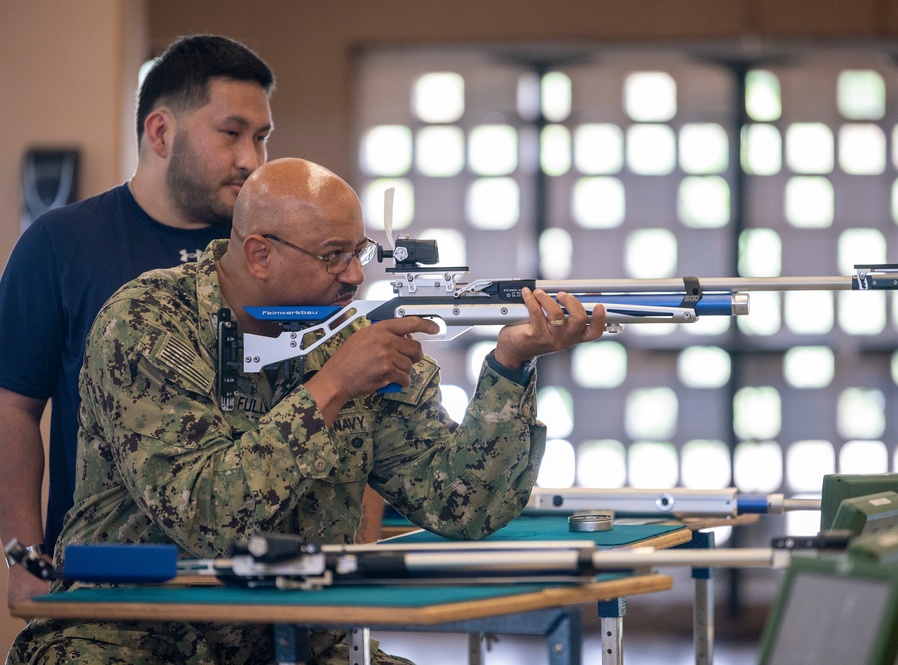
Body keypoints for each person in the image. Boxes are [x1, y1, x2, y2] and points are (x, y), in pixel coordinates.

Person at [8, 157, 607, 664]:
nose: (353, 275)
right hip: (133, 632)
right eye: (333, 255)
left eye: (360, 251)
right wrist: (332, 386)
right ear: (260, 254)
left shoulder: (347, 332)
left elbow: (464, 504)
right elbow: (204, 516)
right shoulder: (148, 322)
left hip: (301, 636)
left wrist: (510, 366)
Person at [0, 34, 274, 614]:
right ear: (160, 132)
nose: (251, 159)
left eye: (261, 138)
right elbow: (13, 407)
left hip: (252, 580)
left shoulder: (266, 253)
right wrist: (23, 556)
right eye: (231, 133)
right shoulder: (59, 244)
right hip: (108, 577)